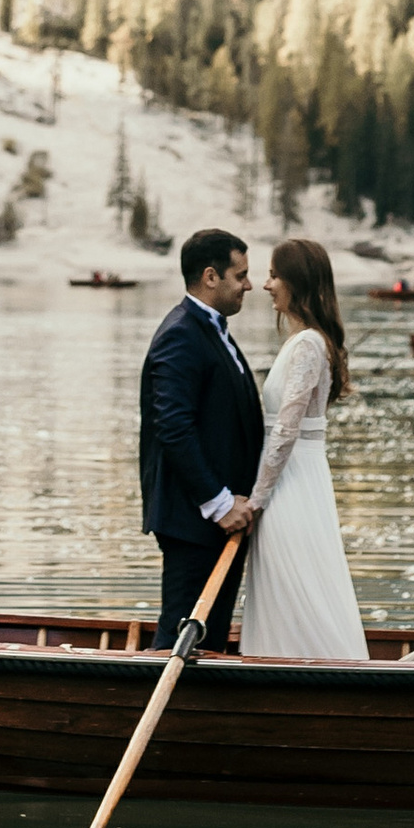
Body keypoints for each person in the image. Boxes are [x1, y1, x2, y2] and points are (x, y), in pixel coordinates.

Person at [237, 238, 367, 664]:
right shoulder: (304, 340)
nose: (266, 285)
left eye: (274, 275)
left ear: (296, 281)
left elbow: (286, 430)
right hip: (294, 474)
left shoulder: (309, 343)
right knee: (289, 576)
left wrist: (257, 499)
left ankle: (301, 663)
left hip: (292, 480)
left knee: (293, 575)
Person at [138, 229, 266, 651]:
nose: (248, 284)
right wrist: (219, 502)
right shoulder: (181, 333)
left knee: (206, 632)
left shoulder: (212, 329)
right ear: (211, 277)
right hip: (194, 517)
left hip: (222, 515)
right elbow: (172, 427)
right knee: (181, 630)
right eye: (240, 275)